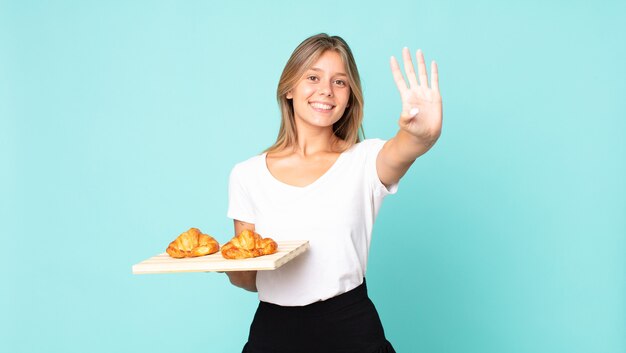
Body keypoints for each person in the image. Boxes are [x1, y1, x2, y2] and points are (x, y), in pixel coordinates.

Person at [225, 33, 442, 353]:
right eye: (313, 77)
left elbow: (404, 148)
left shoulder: (365, 160)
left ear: (349, 96)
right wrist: (225, 261)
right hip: (273, 333)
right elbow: (246, 279)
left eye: (340, 82)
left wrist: (422, 135)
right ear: (289, 88)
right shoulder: (247, 175)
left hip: (349, 329)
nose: (326, 90)